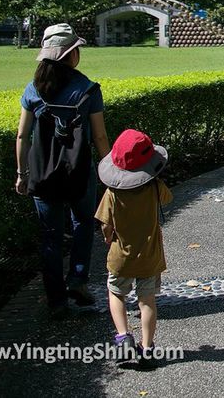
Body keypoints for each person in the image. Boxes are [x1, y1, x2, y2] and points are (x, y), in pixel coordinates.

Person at [15, 23, 111, 318]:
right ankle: (78, 279)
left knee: (50, 236)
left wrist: (22, 173)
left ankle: (56, 300)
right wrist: (110, 172)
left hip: (42, 174)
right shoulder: (87, 89)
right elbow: (99, 137)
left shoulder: (34, 89)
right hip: (79, 172)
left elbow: (22, 136)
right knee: (83, 223)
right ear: (72, 54)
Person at [95, 129, 172, 367]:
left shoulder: (112, 193)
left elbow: (106, 226)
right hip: (149, 256)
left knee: (116, 293)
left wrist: (108, 237)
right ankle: (147, 349)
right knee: (146, 300)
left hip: (120, 257)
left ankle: (123, 338)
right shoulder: (155, 188)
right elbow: (167, 199)